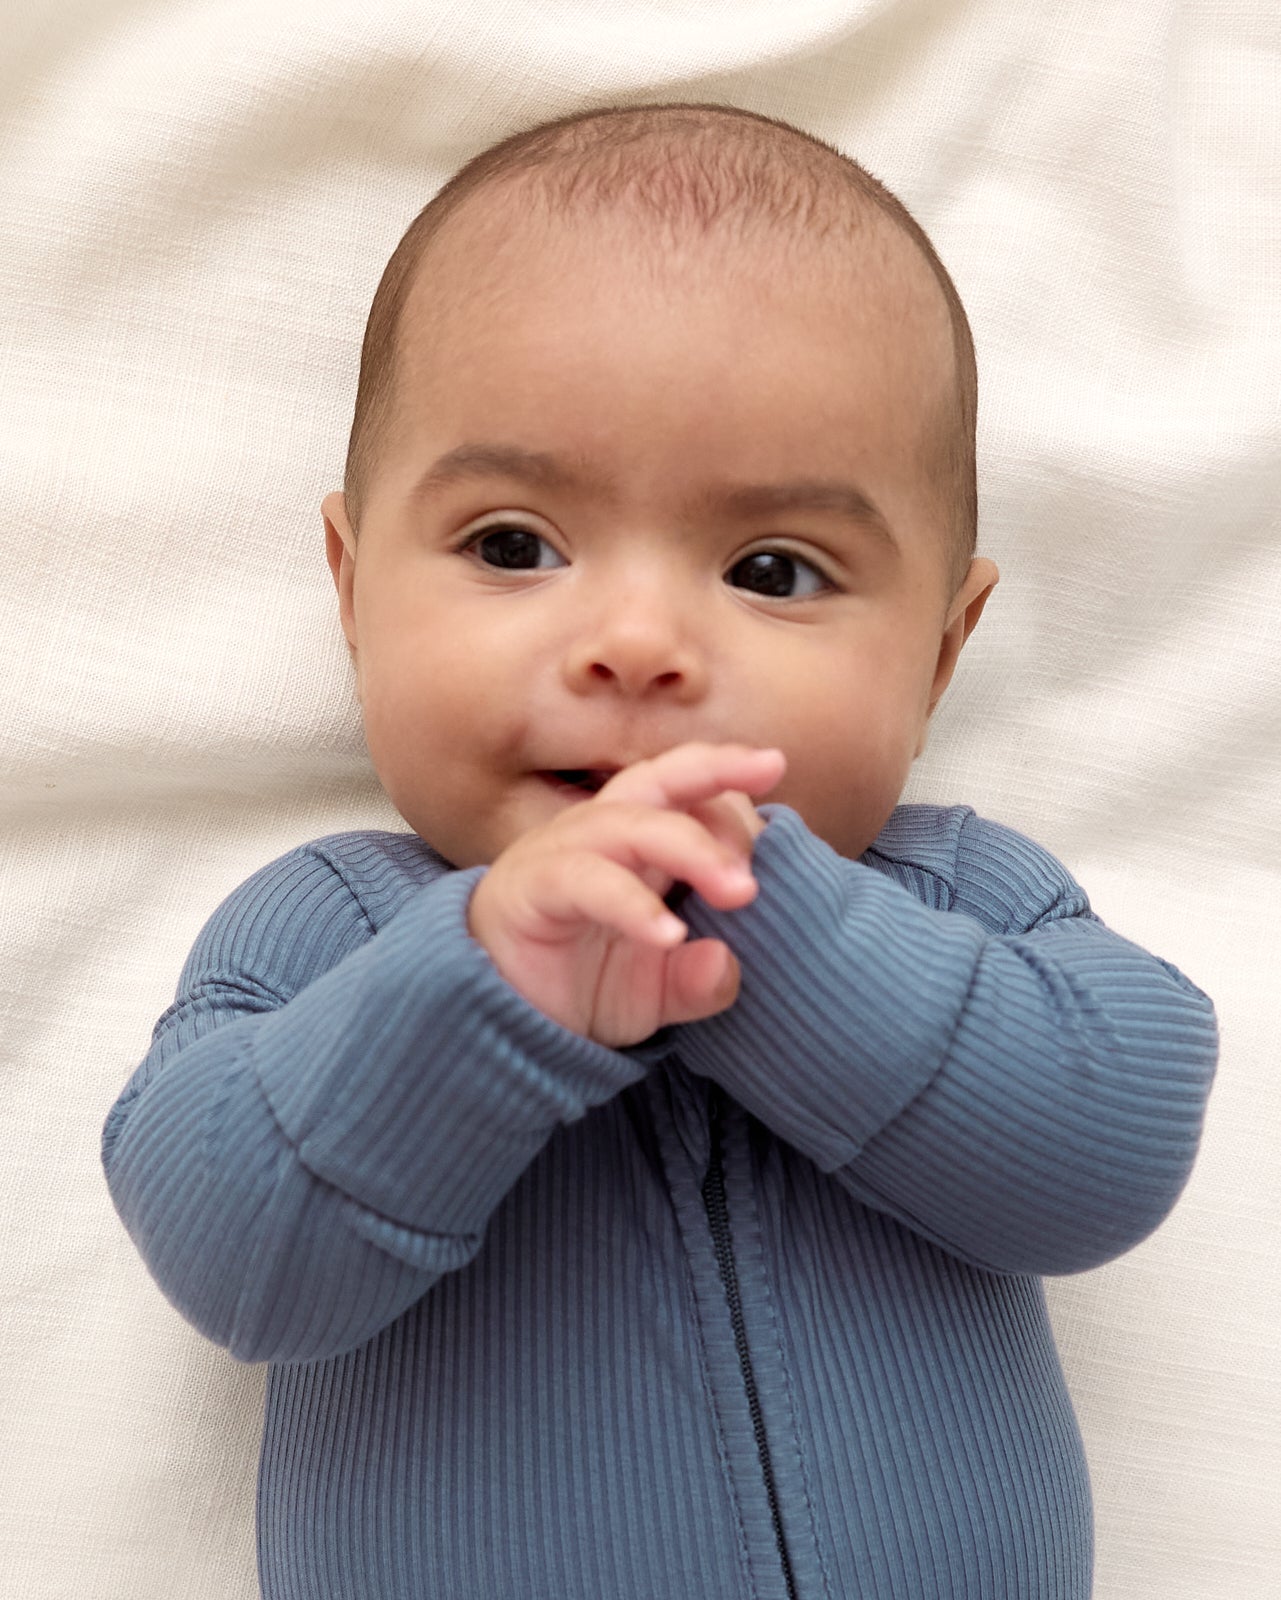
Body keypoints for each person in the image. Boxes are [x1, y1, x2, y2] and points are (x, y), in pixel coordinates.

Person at [102, 102, 1218, 1600]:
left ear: (939, 656)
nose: (636, 644)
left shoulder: (961, 899)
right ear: (353, 592)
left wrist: (783, 941)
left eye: (773, 570)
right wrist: (478, 1000)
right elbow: (232, 1262)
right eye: (513, 545)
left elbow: (1109, 1158)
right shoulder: (334, 931)